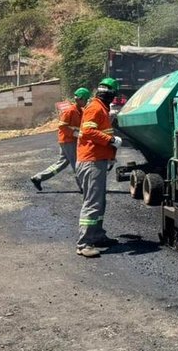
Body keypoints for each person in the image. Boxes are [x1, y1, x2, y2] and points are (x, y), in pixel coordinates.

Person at [75, 77, 122, 258]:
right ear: (110, 94)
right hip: (91, 161)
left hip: (98, 160)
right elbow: (88, 132)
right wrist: (110, 140)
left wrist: (110, 156)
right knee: (93, 202)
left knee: (100, 201)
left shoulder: (101, 107)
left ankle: (97, 236)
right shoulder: (95, 107)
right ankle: (84, 243)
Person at [30, 88, 91, 191]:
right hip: (68, 141)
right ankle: (83, 187)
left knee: (62, 163)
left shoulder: (79, 111)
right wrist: (75, 133)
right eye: (86, 99)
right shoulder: (69, 111)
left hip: (69, 140)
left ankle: (39, 177)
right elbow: (62, 126)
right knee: (77, 162)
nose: (86, 102)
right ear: (80, 99)